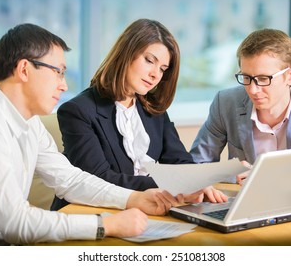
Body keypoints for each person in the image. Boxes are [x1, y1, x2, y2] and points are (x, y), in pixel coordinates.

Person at [0, 23, 183, 246]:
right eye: (58, 72)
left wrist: (135, 198)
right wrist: (106, 225)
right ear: (24, 69)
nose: (64, 86)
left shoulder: (27, 120)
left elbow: (69, 179)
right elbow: (17, 224)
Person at [51, 19, 227, 211]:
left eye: (162, 69)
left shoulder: (153, 109)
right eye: (149, 60)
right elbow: (99, 178)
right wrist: (172, 187)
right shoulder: (77, 111)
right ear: (126, 54)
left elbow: (179, 161)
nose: (155, 75)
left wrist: (196, 182)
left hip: (145, 209)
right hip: (92, 212)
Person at [190, 28, 291, 189]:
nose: (252, 89)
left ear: (290, 75)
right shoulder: (226, 103)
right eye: (246, 77)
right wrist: (229, 173)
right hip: (246, 208)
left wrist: (267, 178)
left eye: (263, 79)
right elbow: (197, 165)